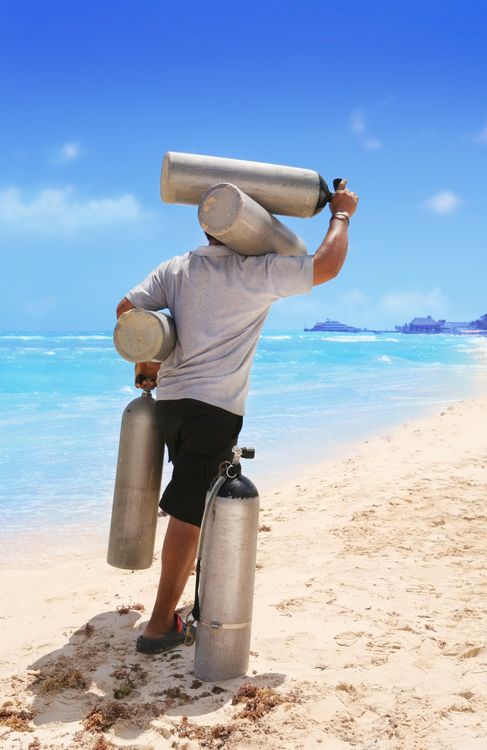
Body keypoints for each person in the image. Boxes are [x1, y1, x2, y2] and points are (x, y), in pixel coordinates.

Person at [116, 180, 359, 653]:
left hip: (171, 405)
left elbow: (127, 310)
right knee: (189, 513)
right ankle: (159, 626)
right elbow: (327, 265)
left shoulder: (177, 267)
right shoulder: (256, 273)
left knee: (196, 503)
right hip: (215, 409)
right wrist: (342, 214)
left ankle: (189, 604)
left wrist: (150, 358)